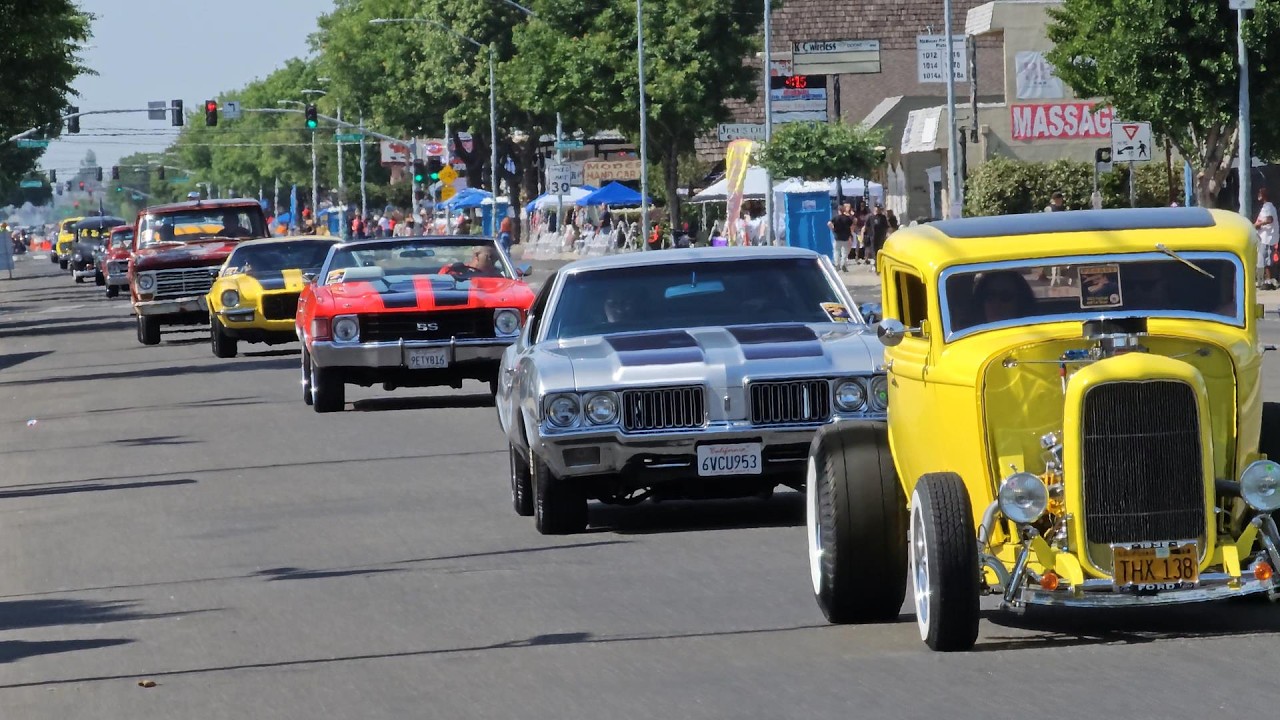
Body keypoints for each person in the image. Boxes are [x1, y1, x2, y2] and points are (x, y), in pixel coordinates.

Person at [1255, 187, 1277, 289]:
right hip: (1263, 238)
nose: (1258, 195)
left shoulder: (1268, 207)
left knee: (1264, 260)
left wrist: (1259, 225)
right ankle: (1265, 281)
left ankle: (1265, 282)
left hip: (1267, 239)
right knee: (1264, 260)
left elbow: (1269, 219)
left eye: (1260, 193)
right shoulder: (1265, 207)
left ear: (1264, 195)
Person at [863, 204, 891, 269]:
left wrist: (886, 234)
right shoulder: (870, 217)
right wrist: (865, 236)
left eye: (879, 208)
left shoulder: (883, 217)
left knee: (880, 250)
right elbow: (866, 227)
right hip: (872, 237)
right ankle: (874, 265)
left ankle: (879, 264)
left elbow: (886, 227)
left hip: (880, 237)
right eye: (877, 208)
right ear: (874, 209)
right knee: (873, 251)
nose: (878, 210)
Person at [828, 203, 854, 272]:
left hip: (837, 237)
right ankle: (843, 265)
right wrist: (850, 235)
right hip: (845, 237)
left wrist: (833, 228)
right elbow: (852, 227)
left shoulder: (835, 218)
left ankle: (837, 265)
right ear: (843, 210)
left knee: (836, 251)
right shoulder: (847, 218)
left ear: (838, 211)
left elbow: (829, 223)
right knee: (845, 252)